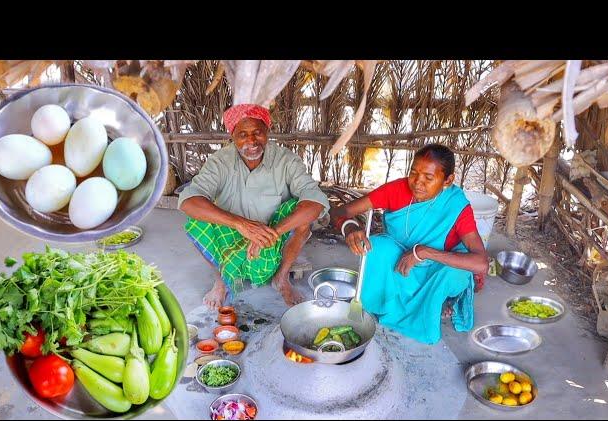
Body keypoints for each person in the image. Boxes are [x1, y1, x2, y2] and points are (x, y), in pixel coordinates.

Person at [330, 144, 488, 344]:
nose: (417, 183)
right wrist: (350, 228)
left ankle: (436, 301)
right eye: (413, 173)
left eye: (428, 178)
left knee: (457, 272)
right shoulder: (397, 190)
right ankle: (388, 304)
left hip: (436, 270)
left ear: (448, 180)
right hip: (401, 263)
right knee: (376, 248)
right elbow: (339, 212)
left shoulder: (456, 205)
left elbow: (481, 263)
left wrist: (423, 252)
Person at [178, 103, 329, 309]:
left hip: (271, 240)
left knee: (303, 215)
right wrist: (241, 225)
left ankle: (281, 278)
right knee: (196, 219)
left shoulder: (286, 160)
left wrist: (273, 232)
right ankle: (222, 281)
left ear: (267, 131)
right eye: (243, 134)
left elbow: (316, 203)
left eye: (257, 133)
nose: (251, 141)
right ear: (233, 136)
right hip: (231, 236)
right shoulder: (220, 162)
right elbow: (188, 201)